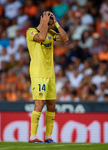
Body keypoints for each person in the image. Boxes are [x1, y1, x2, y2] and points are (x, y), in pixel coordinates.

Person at [26, 11, 68, 143]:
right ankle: (33, 136)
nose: (49, 26)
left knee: (51, 105)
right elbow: (41, 37)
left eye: (51, 24)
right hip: (38, 74)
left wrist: (56, 23)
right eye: (48, 23)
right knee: (39, 104)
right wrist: (44, 23)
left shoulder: (50, 32)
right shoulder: (31, 32)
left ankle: (48, 136)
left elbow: (65, 38)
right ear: (41, 19)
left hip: (50, 75)